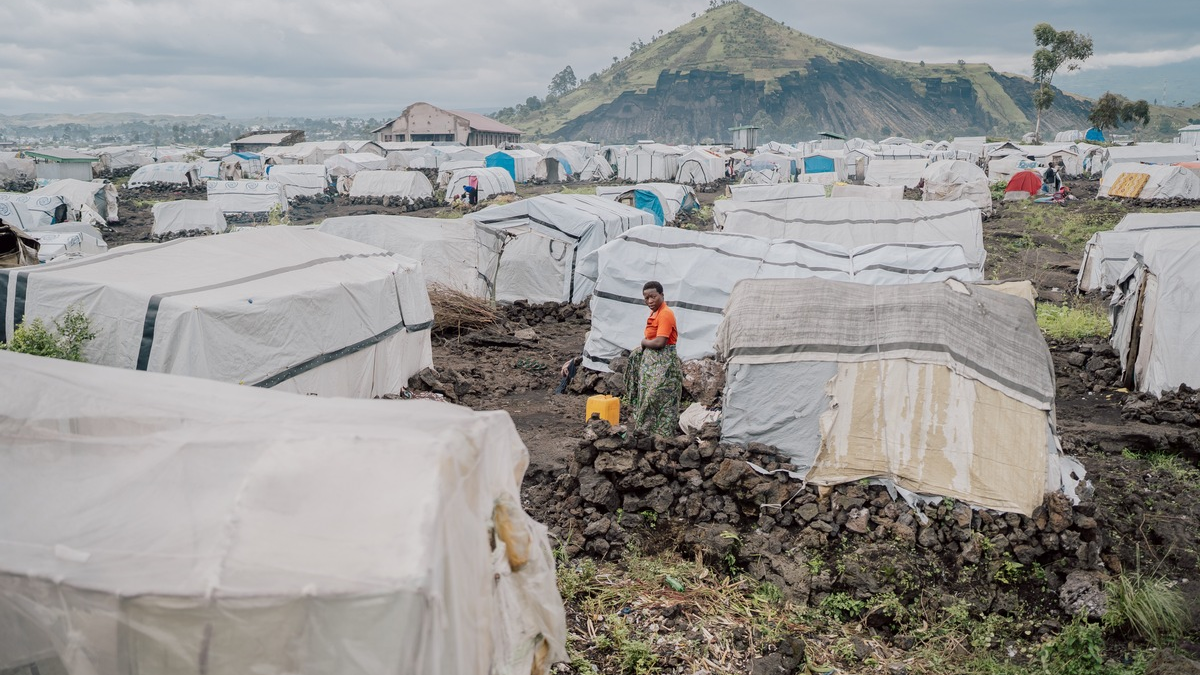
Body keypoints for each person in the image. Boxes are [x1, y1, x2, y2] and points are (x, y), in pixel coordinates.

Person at [624, 281, 683, 436]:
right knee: (647, 395)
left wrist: (644, 342)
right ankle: (647, 433)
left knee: (657, 396)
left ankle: (662, 435)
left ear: (662, 295)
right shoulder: (655, 313)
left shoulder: (665, 314)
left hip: (664, 364)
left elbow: (660, 342)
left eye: (653, 297)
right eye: (646, 298)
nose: (650, 301)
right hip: (652, 363)